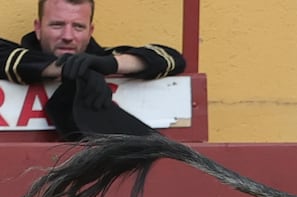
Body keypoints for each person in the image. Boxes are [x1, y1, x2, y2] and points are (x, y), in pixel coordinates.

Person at [1, 0, 186, 139]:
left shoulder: (103, 58)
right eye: (57, 25)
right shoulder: (16, 58)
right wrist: (65, 69)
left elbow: (172, 58)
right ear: (38, 28)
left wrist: (112, 65)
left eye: (78, 27)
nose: (67, 36)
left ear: (90, 31)